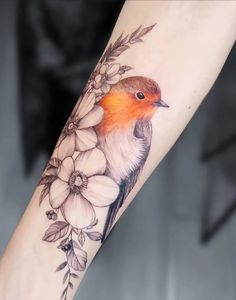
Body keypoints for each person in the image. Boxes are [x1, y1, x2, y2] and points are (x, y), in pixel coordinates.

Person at [0, 1, 235, 300]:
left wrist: (36, 270)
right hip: (66, 28)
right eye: (142, 97)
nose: (153, 104)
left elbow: (192, 9)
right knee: (54, 106)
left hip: (136, 44)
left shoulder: (140, 125)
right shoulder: (114, 99)